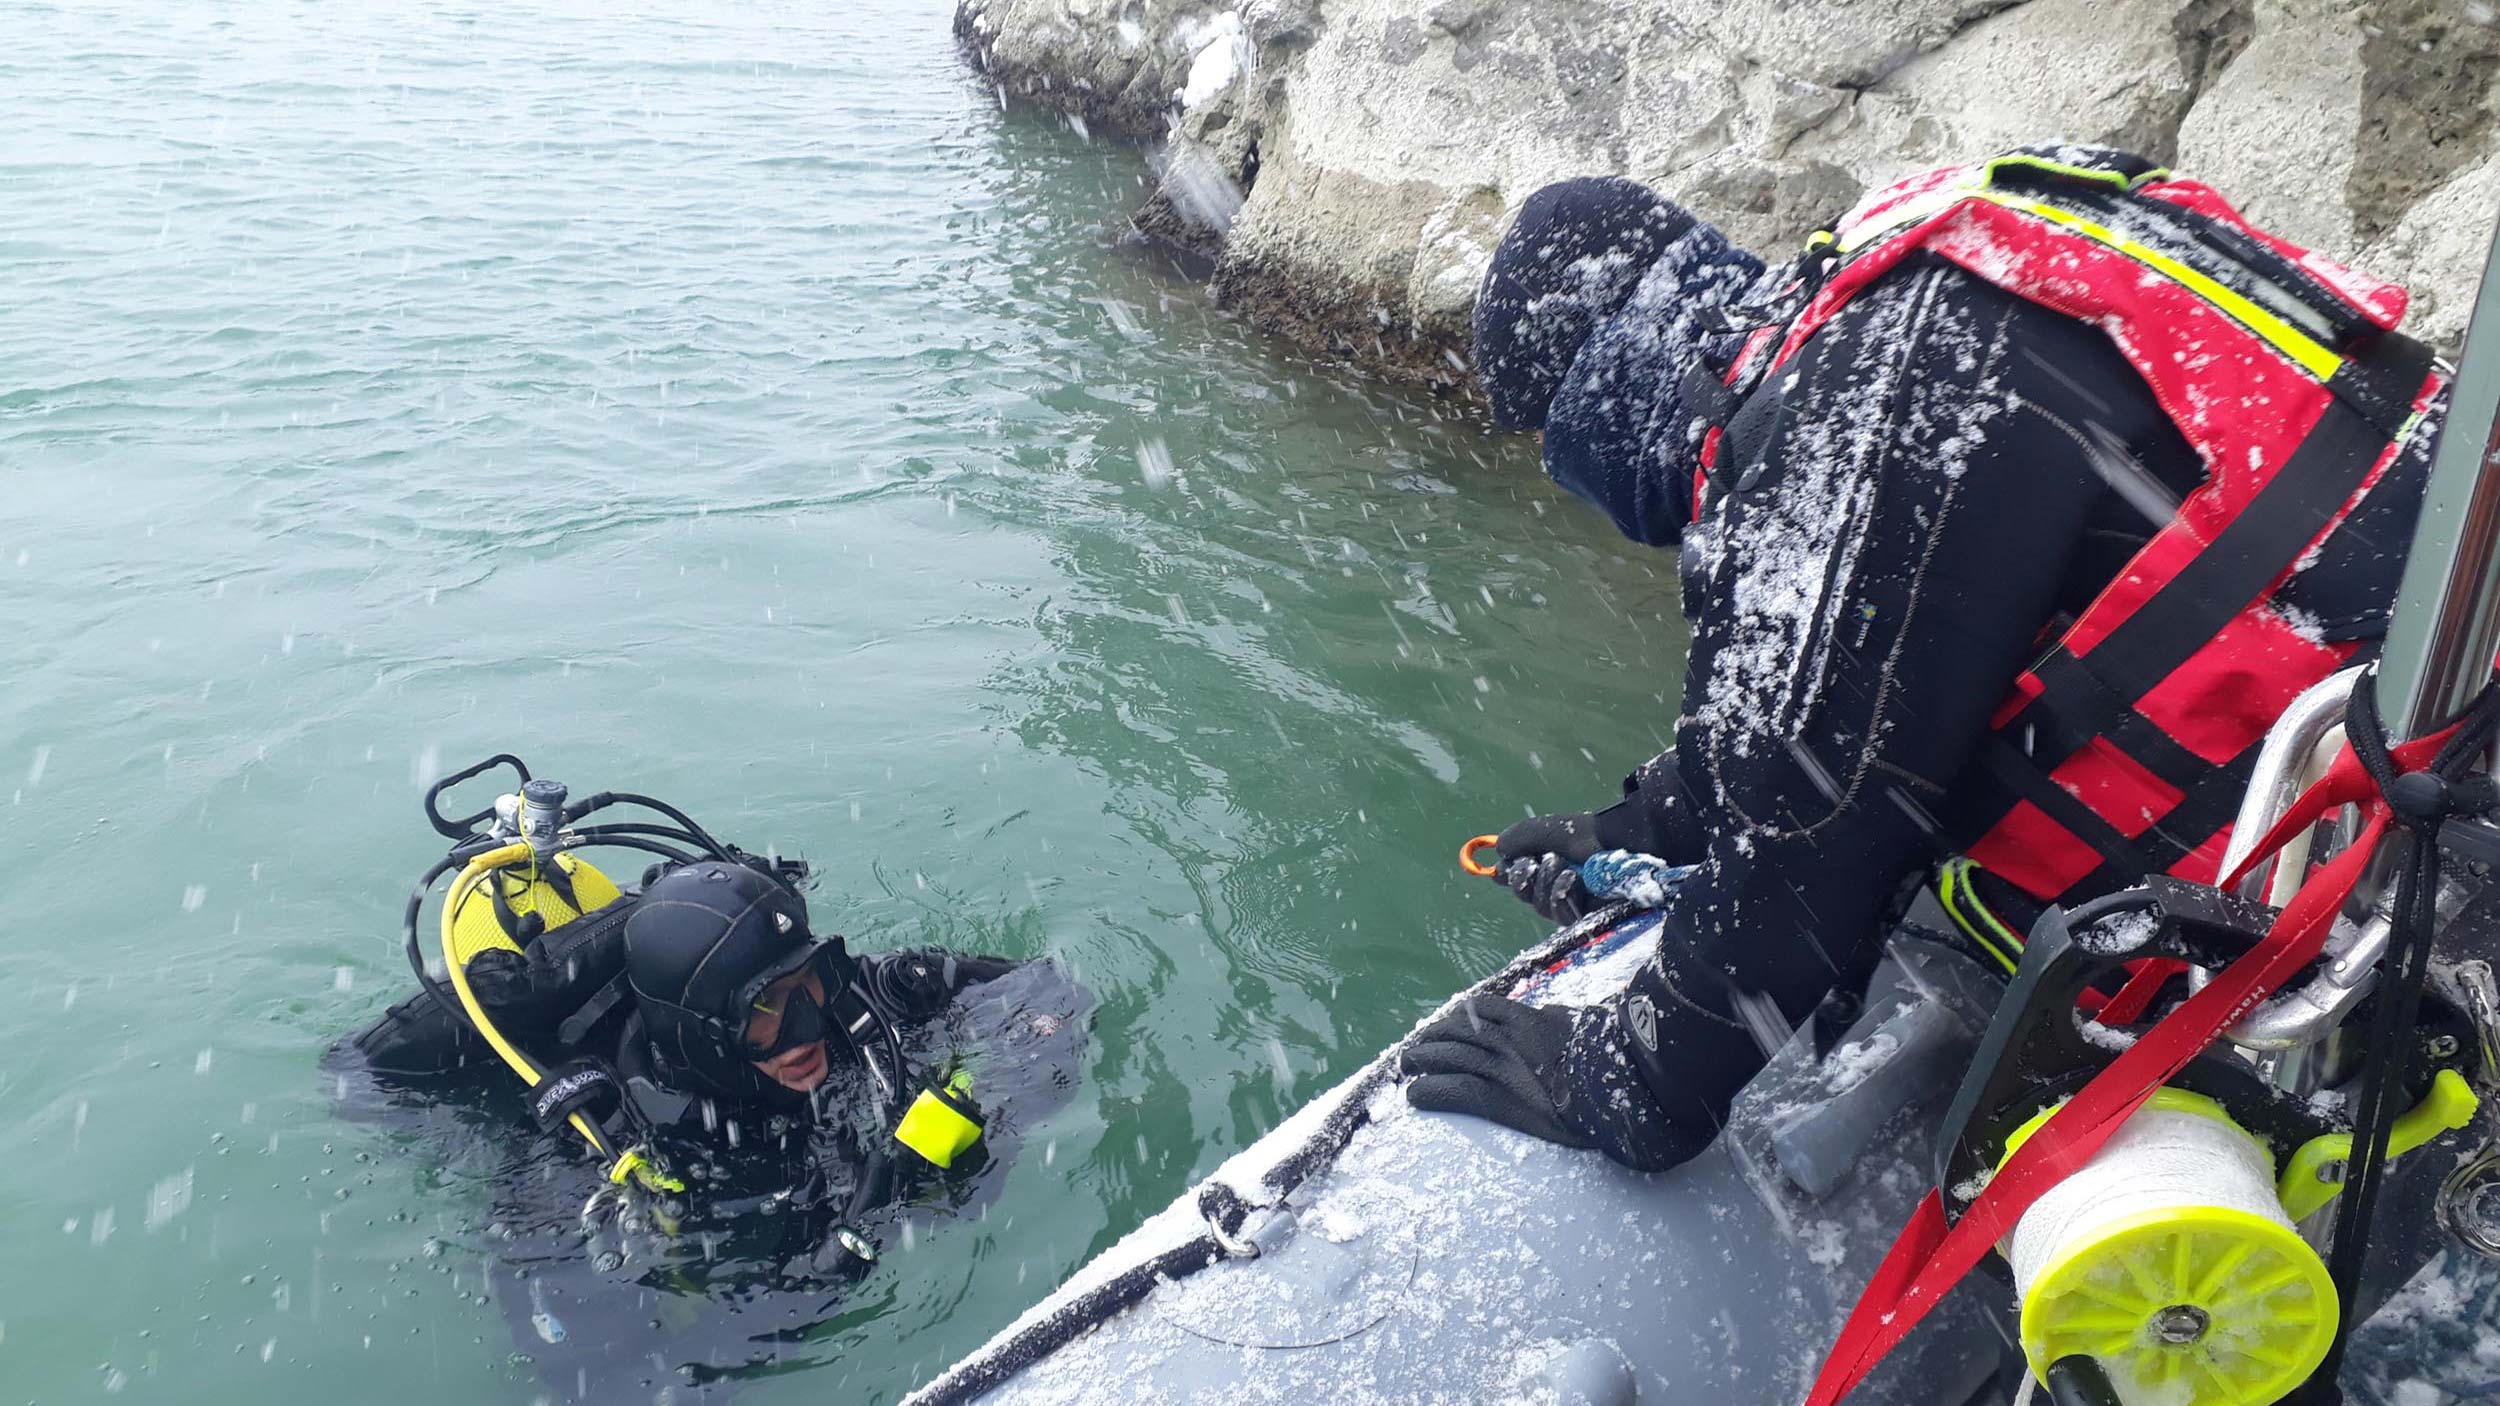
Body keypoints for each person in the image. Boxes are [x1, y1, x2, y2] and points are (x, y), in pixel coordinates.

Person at [1402, 144, 2447, 1172]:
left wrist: (1618, 1076)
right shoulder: (1920, 289)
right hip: (2435, 719)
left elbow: (1807, 845)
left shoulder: (1851, 420)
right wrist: (1647, 825)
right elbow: (1883, 664)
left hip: (2411, 905)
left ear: (1606, 411)